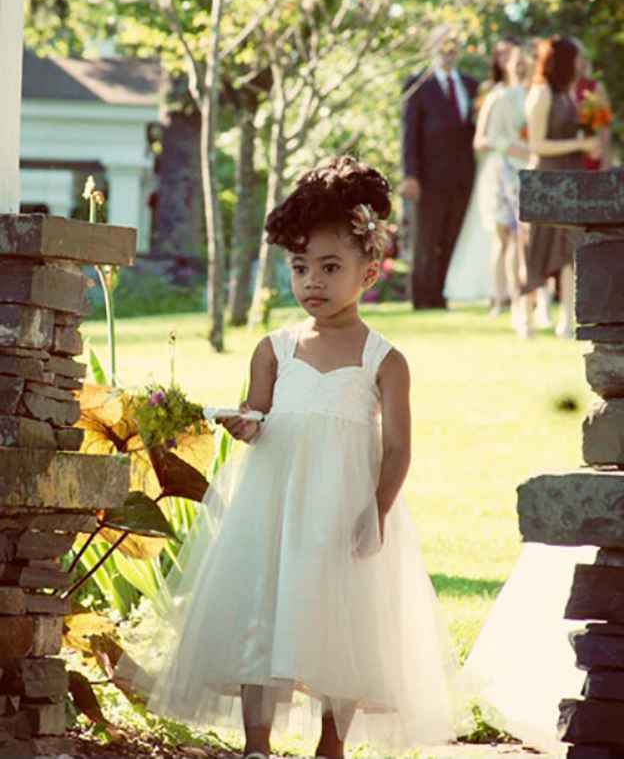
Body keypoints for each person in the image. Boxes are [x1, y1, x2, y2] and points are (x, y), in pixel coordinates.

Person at [114, 156, 463, 759]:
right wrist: (243, 424)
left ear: (369, 274)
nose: (313, 284)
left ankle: (332, 741)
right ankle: (258, 743)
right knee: (262, 610)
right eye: (301, 268)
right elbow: (259, 414)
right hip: (274, 506)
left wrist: (377, 509)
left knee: (343, 620)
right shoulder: (273, 348)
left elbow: (400, 445)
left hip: (346, 507)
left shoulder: (385, 360)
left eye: (331, 268)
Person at [520, 36, 601, 339]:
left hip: (571, 180)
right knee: (538, 252)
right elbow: (537, 144)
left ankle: (567, 319)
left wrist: (586, 146)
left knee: (570, 251)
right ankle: (526, 317)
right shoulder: (541, 94)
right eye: (576, 58)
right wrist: (579, 143)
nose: (581, 64)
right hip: (546, 181)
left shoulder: (568, 95)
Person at [401, 26, 479, 308]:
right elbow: (409, 133)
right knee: (427, 238)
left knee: (451, 236)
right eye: (442, 44)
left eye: (452, 44)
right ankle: (422, 299)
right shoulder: (418, 84)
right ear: (431, 46)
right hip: (428, 177)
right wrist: (410, 174)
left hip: (463, 176)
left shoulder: (471, 85)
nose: (448, 50)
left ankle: (442, 295)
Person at [444, 38, 517, 306]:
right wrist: (506, 146)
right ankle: (491, 288)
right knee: (490, 229)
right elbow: (480, 137)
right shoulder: (488, 91)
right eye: (501, 55)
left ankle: (517, 289)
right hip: (495, 168)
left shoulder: (529, 90)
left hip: (520, 167)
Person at [572, 39, 612, 171]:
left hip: (591, 159)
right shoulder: (553, 90)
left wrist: (606, 163)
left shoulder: (594, 88)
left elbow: (605, 128)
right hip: (562, 161)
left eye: (578, 56)